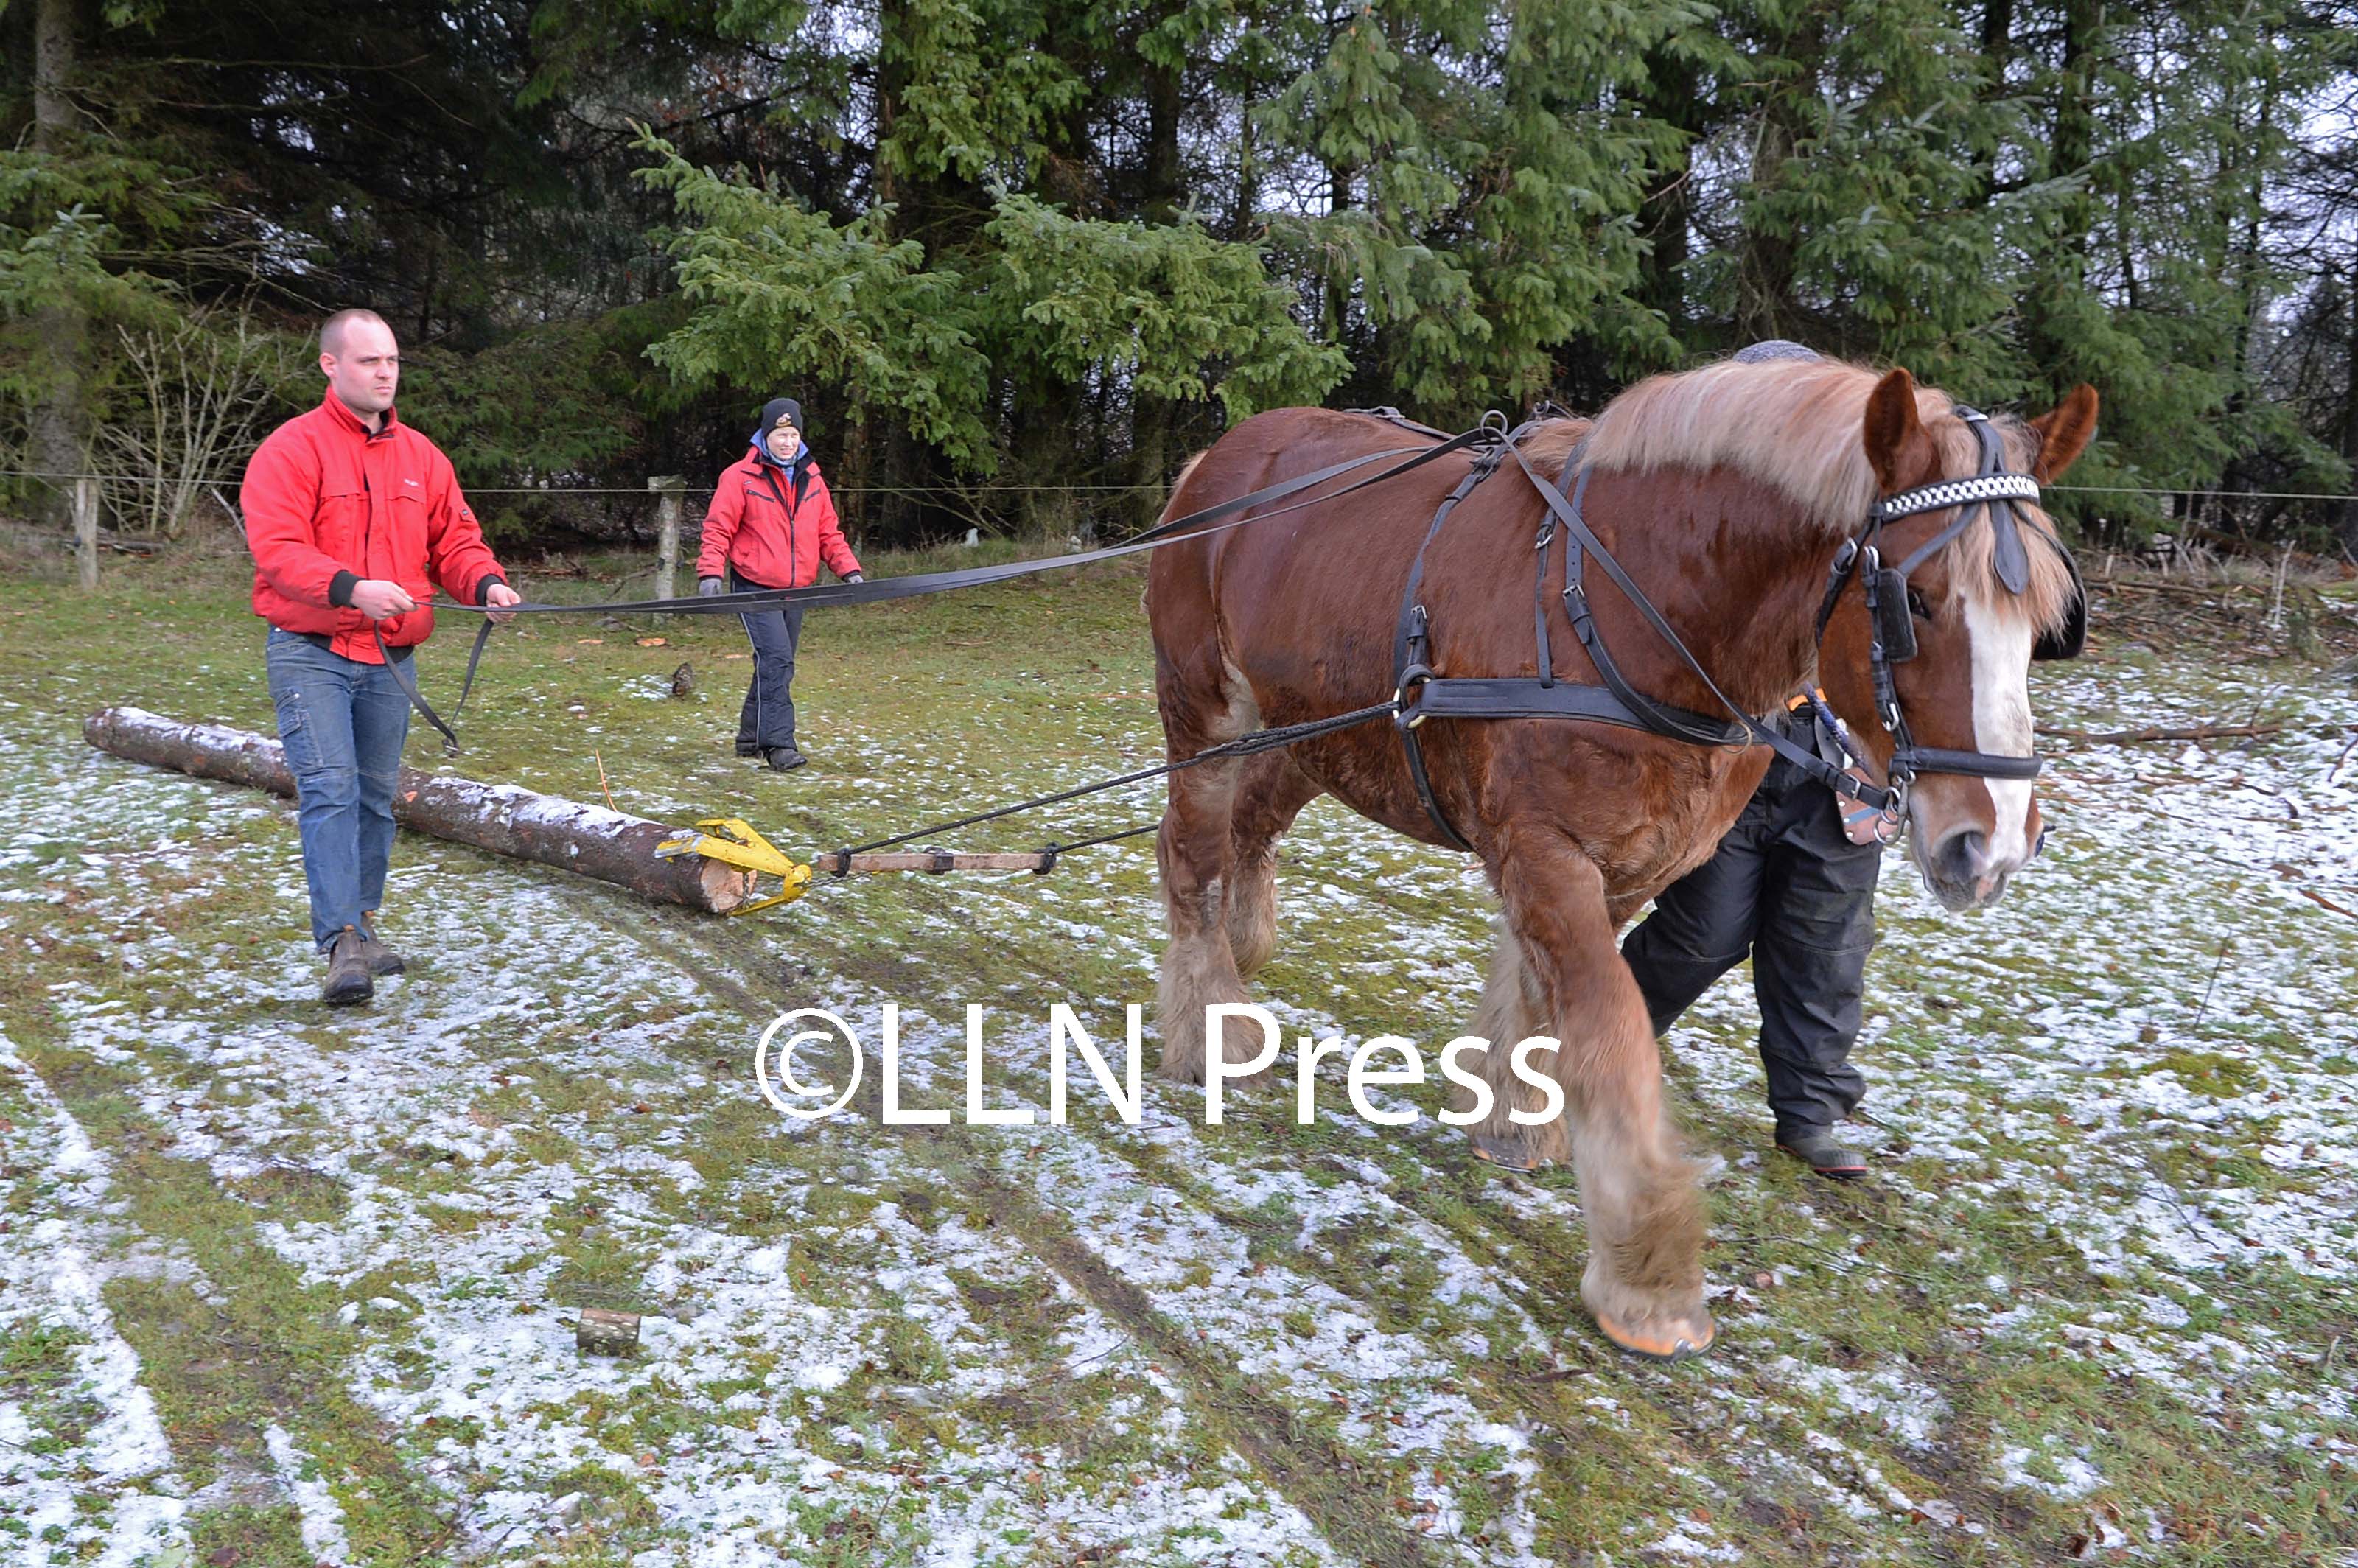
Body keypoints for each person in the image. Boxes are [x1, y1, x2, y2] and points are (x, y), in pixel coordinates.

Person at [1617, 340, 1882, 1180]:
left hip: (1838, 772)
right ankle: (1591, 1052)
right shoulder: (1715, 528)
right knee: (1699, 936)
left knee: (1825, 946)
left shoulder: (1870, 521)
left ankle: (1809, 1113)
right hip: (1728, 762)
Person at [241, 308, 521, 1006]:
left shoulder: (423, 457)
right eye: (370, 361)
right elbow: (277, 552)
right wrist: (350, 589)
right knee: (331, 790)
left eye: (392, 360)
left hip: (391, 659)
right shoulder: (291, 449)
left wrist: (485, 583)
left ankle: (364, 926)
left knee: (374, 796)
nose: (385, 372)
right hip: (312, 653)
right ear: (331, 366)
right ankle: (340, 944)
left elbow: (455, 541)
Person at [696, 397, 863, 771]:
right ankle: (778, 745)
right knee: (777, 659)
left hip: (798, 588)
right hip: (754, 585)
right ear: (765, 435)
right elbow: (717, 528)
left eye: (793, 434)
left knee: (776, 665)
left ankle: (749, 738)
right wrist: (710, 573)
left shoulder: (813, 477)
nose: (787, 442)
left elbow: (828, 533)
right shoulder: (739, 477)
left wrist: (849, 571)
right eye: (780, 434)